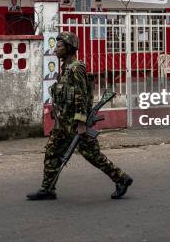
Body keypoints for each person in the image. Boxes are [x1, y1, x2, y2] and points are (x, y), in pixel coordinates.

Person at [27, 31, 133, 201]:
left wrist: (81, 123)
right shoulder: (65, 69)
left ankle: (121, 178)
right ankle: (47, 189)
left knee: (93, 156)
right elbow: (64, 95)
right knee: (52, 153)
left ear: (69, 48)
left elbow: (81, 97)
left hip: (76, 125)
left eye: (60, 47)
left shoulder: (77, 68)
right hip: (63, 125)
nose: (56, 50)